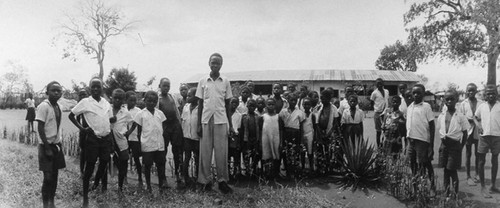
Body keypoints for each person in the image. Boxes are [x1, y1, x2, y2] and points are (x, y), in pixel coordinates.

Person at [69, 78, 113, 207]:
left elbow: (108, 119)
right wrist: (82, 128)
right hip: (93, 139)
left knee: (104, 162)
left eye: (98, 87)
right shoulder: (85, 102)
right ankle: (85, 198)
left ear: (102, 88)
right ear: (89, 88)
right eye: (93, 87)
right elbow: (71, 115)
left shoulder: (106, 102)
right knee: (89, 167)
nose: (95, 89)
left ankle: (96, 183)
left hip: (106, 138)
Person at [196, 53, 233, 194]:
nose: (215, 65)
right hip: (206, 119)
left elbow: (228, 104)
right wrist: (199, 124)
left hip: (221, 120)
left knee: (221, 153)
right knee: (205, 153)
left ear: (221, 65)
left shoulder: (225, 81)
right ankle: (205, 182)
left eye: (218, 63)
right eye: (213, 62)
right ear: (209, 63)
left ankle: (222, 181)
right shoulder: (202, 81)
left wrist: (230, 125)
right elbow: (200, 103)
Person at [126, 91, 167, 193]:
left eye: (154, 101)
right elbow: (139, 131)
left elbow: (164, 126)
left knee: (161, 165)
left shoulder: (160, 113)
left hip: (159, 144)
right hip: (147, 144)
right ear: (145, 101)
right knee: (147, 165)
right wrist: (140, 143)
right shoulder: (140, 114)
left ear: (156, 102)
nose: (151, 103)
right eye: (149, 101)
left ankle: (161, 185)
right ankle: (148, 186)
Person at [36, 81, 65, 208]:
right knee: (47, 177)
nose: (57, 92)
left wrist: (58, 143)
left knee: (54, 176)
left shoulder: (58, 106)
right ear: (47, 92)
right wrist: (47, 147)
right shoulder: (44, 106)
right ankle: (45, 204)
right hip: (45, 146)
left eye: (59, 90)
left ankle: (52, 202)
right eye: (54, 90)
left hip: (56, 145)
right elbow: (40, 128)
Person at [437, 89, 469, 198]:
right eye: (447, 99)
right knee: (446, 170)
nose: (449, 101)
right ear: (444, 100)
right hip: (444, 146)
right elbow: (441, 130)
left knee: (452, 170)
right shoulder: (441, 115)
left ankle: (455, 195)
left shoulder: (460, 116)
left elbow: (465, 133)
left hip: (454, 146)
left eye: (452, 99)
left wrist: (461, 146)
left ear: (457, 100)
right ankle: (446, 194)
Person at [406, 84, 436, 193]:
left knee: (425, 164)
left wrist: (431, 145)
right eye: (414, 93)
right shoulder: (409, 107)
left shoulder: (426, 106)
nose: (415, 95)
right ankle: (416, 185)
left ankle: (431, 186)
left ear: (423, 94)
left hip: (422, 141)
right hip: (411, 141)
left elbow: (432, 126)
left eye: (418, 93)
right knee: (412, 163)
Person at [475, 84, 500, 198]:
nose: (491, 95)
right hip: (484, 137)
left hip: (496, 136)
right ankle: (483, 187)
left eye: (493, 93)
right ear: (485, 95)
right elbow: (475, 117)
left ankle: (493, 185)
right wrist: (479, 125)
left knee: (495, 160)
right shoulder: (482, 106)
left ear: (497, 94)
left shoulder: (499, 106)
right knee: (481, 161)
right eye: (488, 93)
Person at [158, 77, 183, 186]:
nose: (166, 88)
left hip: (175, 126)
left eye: (168, 86)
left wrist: (180, 125)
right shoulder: (158, 99)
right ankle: (163, 178)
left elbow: (177, 111)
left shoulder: (172, 96)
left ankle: (178, 175)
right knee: (162, 152)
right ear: (160, 86)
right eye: (164, 85)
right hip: (164, 127)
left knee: (177, 151)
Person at [459, 83, 482, 186]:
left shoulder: (481, 103)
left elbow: (483, 115)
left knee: (478, 154)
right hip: (468, 131)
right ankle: (468, 176)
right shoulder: (463, 104)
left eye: (473, 90)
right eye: (469, 90)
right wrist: (468, 119)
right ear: (466, 91)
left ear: (476, 91)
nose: (470, 92)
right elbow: (460, 117)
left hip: (478, 131)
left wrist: (477, 119)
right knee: (468, 154)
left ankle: (477, 174)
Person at [110, 89, 132, 192]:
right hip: (109, 140)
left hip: (121, 140)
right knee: (107, 161)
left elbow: (134, 122)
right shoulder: (107, 109)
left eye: (120, 98)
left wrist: (128, 132)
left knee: (124, 161)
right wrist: (109, 120)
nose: (117, 100)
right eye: (115, 98)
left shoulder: (125, 112)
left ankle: (120, 186)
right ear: (112, 98)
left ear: (123, 100)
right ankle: (102, 185)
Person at [279, 93, 305, 178]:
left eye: (295, 100)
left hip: (296, 134)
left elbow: (301, 127)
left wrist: (301, 140)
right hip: (287, 133)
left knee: (295, 152)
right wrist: (281, 140)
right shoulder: (283, 111)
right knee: (286, 152)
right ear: (288, 101)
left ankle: (295, 171)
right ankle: (287, 171)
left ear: (297, 101)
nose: (293, 102)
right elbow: (281, 127)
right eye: (291, 100)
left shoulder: (300, 112)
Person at [315, 89, 339, 174]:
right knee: (320, 150)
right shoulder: (318, 107)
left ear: (329, 99)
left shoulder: (334, 108)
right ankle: (320, 168)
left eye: (324, 98)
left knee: (329, 150)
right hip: (320, 132)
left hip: (329, 132)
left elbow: (335, 123)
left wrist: (329, 133)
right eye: (321, 98)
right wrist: (320, 133)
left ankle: (329, 168)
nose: (322, 100)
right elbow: (316, 122)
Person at [181, 87, 200, 185]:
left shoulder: (200, 108)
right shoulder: (186, 107)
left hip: (196, 138)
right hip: (187, 137)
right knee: (187, 157)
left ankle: (198, 177)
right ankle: (185, 177)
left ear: (196, 97)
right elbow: (183, 121)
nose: (187, 97)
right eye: (187, 95)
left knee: (197, 158)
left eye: (189, 95)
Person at [260, 98, 283, 179]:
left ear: (275, 106)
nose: (271, 106)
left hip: (276, 138)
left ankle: (276, 172)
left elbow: (280, 130)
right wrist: (260, 141)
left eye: (272, 104)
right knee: (266, 154)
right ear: (266, 106)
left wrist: (281, 142)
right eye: (269, 104)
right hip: (265, 138)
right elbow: (260, 129)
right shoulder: (263, 117)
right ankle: (266, 173)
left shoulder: (278, 117)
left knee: (276, 154)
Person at [125, 90, 143, 188]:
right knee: (124, 158)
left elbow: (137, 124)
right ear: (126, 100)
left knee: (136, 158)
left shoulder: (138, 111)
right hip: (125, 138)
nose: (133, 103)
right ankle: (124, 178)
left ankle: (140, 178)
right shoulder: (123, 109)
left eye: (134, 101)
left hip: (135, 138)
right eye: (130, 100)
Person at [240, 99, 260, 178]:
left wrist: (258, 139)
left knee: (255, 155)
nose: (251, 107)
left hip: (255, 138)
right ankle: (247, 171)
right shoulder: (244, 116)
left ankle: (254, 170)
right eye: (250, 105)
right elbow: (242, 129)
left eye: (253, 106)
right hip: (246, 139)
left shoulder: (257, 116)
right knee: (246, 155)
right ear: (247, 106)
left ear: (255, 107)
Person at [370, 78, 389, 148]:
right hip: (378, 113)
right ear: (376, 84)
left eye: (381, 83)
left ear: (383, 83)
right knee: (378, 131)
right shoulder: (374, 93)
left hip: (386, 113)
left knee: (386, 130)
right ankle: (378, 146)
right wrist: (376, 110)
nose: (379, 84)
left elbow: (387, 100)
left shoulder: (387, 91)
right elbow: (371, 102)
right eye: (377, 83)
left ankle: (385, 145)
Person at [228, 97, 243, 182]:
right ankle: (228, 174)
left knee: (236, 157)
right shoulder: (225, 114)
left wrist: (238, 142)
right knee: (227, 157)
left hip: (235, 138)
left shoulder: (239, 115)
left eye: (236, 103)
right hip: (226, 138)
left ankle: (235, 174)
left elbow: (240, 129)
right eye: (232, 102)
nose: (234, 104)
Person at [301, 97, 316, 172]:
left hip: (310, 134)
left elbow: (315, 127)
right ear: (302, 105)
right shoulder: (301, 114)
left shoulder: (312, 115)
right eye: (305, 104)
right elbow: (300, 126)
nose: (306, 106)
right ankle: (303, 167)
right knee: (302, 152)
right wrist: (301, 136)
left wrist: (315, 137)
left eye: (308, 104)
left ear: (311, 105)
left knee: (310, 152)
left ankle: (311, 167)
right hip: (303, 134)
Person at [77, 89, 89, 176]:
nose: (82, 97)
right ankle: (82, 171)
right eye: (81, 95)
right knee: (83, 152)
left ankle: (88, 171)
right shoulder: (79, 107)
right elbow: (77, 120)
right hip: (83, 131)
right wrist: (81, 128)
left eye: (84, 95)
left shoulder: (90, 105)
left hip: (92, 131)